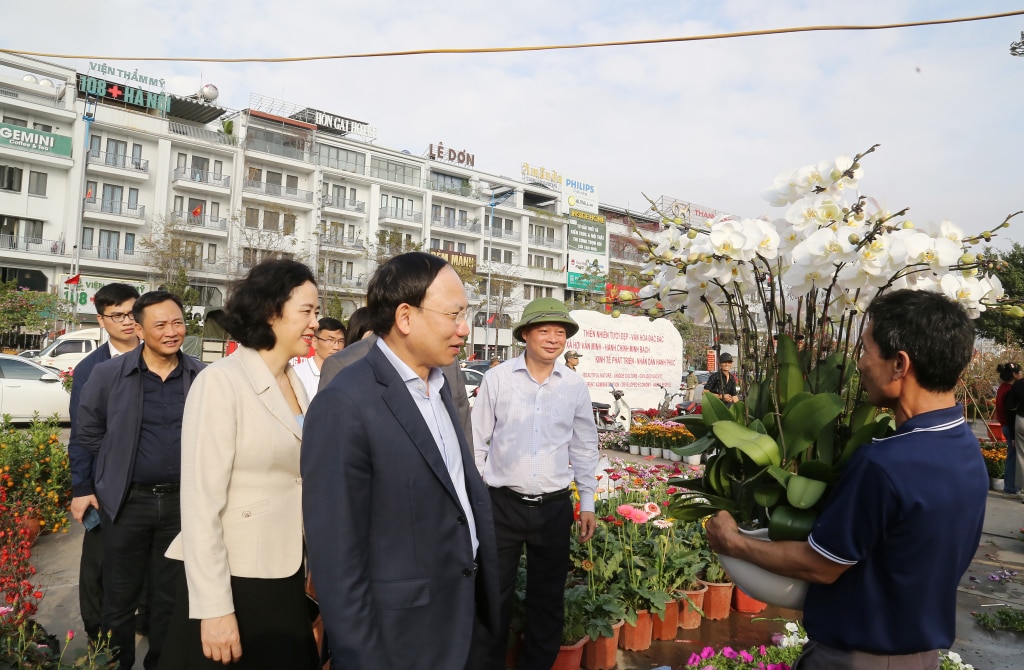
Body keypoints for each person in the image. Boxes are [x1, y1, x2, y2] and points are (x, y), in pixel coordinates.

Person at [706, 289, 987, 669]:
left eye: (866, 352)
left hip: (858, 659)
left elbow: (819, 564)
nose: (859, 366)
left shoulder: (887, 464)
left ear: (900, 364)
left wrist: (732, 543)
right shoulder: (965, 446)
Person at [302, 252, 499, 669]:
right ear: (405, 317)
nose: (464, 329)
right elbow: (337, 556)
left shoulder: (441, 385)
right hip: (401, 636)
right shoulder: (346, 402)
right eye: (454, 315)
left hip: (463, 616)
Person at [160, 259, 320, 669]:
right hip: (236, 577)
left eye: (316, 312)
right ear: (271, 312)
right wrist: (213, 608)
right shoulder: (221, 382)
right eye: (307, 311)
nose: (315, 323)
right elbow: (200, 504)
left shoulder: (296, 382)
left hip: (286, 569)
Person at [77, 291, 206, 670]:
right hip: (128, 502)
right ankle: (116, 663)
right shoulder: (109, 374)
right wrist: (115, 469)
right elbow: (88, 431)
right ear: (139, 328)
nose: (172, 332)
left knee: (170, 598)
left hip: (182, 506)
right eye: (161, 325)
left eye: (178, 323)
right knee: (119, 597)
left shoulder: (201, 375)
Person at [473, 297, 599, 670]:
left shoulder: (574, 385)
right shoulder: (497, 378)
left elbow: (585, 445)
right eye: (543, 330)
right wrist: (479, 497)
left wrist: (587, 503)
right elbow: (477, 441)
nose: (552, 339)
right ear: (525, 334)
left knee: (547, 598)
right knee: (493, 595)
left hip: (554, 507)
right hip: (502, 504)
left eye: (560, 332)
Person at [68, 282, 141, 643]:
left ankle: (143, 620)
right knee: (99, 561)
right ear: (102, 320)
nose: (128, 321)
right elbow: (82, 434)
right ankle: (97, 633)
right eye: (118, 315)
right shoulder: (91, 369)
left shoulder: (160, 355)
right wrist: (82, 488)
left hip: (151, 481)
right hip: (104, 482)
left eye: (132, 312)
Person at [318, 318, 474, 447]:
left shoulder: (449, 364)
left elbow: (464, 429)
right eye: (453, 315)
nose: (464, 329)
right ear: (404, 314)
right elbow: (329, 454)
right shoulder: (343, 364)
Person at [292, 316, 345, 401]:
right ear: (314, 342)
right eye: (330, 340)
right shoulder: (298, 374)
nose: (336, 347)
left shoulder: (346, 373)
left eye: (341, 341)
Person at [995, 362, 1023, 496]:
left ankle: (1010, 487)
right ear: (1014, 374)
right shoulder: (1009, 391)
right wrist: (1012, 435)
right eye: (1020, 372)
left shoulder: (1003, 388)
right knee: (1013, 458)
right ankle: (1011, 488)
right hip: (1010, 426)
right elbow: (1010, 414)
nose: (1021, 375)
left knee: (1012, 457)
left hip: (1005, 426)